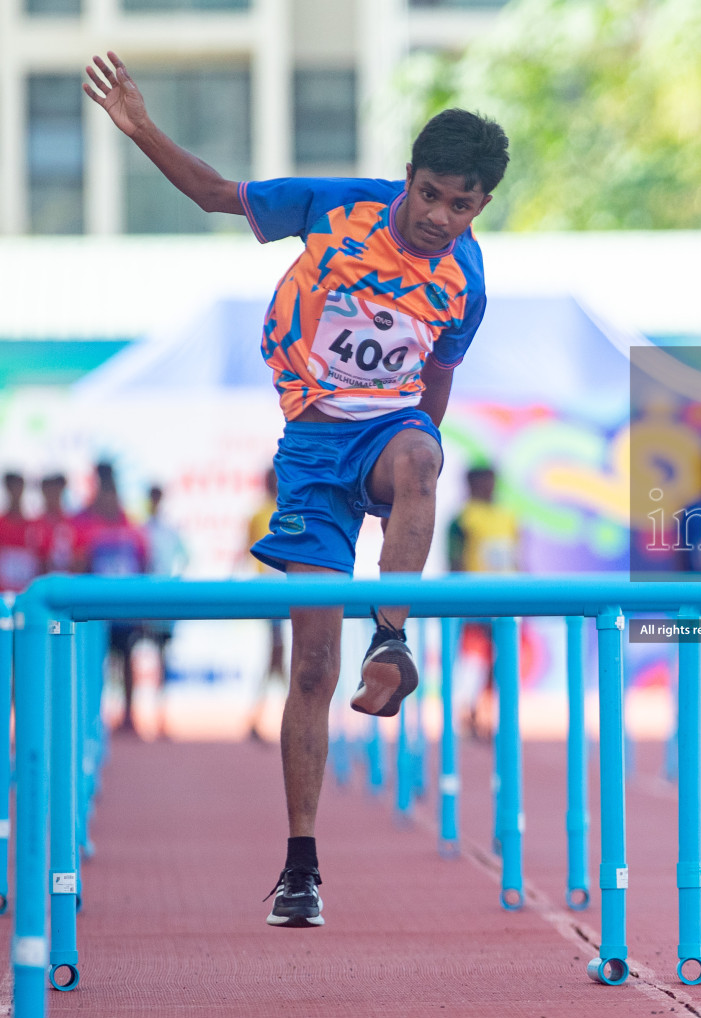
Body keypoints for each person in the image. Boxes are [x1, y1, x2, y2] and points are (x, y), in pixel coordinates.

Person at [86, 50, 508, 926]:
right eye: (429, 195)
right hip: (313, 450)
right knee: (311, 663)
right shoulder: (335, 205)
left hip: (390, 436)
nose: (439, 218)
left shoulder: (466, 281)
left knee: (426, 456)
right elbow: (212, 193)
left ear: (481, 207)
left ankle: (392, 643)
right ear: (408, 179)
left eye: (460, 206)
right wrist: (140, 127)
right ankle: (300, 865)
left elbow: (435, 390)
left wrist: (412, 459)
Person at [70, 462, 151, 735]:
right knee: (94, 662)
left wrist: (142, 605)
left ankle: (128, 716)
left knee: (126, 658)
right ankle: (92, 715)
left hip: (124, 606)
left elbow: (143, 560)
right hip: (95, 607)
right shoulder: (84, 523)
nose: (108, 495)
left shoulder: (128, 522)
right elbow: (78, 563)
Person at [446, 465, 519, 740]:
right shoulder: (462, 519)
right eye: (482, 483)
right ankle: (470, 714)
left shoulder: (508, 515)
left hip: (508, 600)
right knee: (475, 661)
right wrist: (463, 598)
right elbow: (456, 560)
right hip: (476, 601)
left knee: (501, 665)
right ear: (470, 485)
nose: (488, 488)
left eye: (491, 481)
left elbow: (517, 555)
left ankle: (494, 718)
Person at [142, 484, 189, 738]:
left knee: (162, 656)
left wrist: (175, 581)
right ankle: (135, 715)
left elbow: (185, 557)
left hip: (165, 599)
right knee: (130, 655)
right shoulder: (142, 529)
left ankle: (160, 715)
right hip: (144, 598)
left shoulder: (170, 531)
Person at [245, 467, 287, 743]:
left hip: (291, 591)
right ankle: (284, 712)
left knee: (277, 658)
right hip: (270, 594)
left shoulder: (290, 508)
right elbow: (248, 549)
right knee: (277, 654)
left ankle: (262, 715)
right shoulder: (258, 514)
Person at [0, 472, 40, 594]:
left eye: (18, 486)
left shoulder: (34, 526)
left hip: (26, 594)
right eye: (12, 486)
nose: (15, 491)